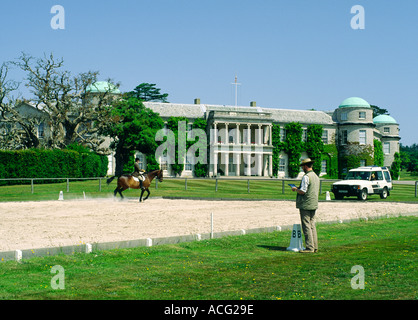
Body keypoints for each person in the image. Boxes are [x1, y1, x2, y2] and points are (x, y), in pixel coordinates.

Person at [291, 158, 320, 253]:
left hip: (306, 203)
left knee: (306, 225)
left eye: (303, 166)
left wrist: (295, 189)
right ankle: (314, 246)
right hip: (314, 203)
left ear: (306, 166)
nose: (302, 168)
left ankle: (309, 247)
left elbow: (303, 191)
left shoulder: (306, 177)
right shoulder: (315, 176)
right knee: (312, 225)